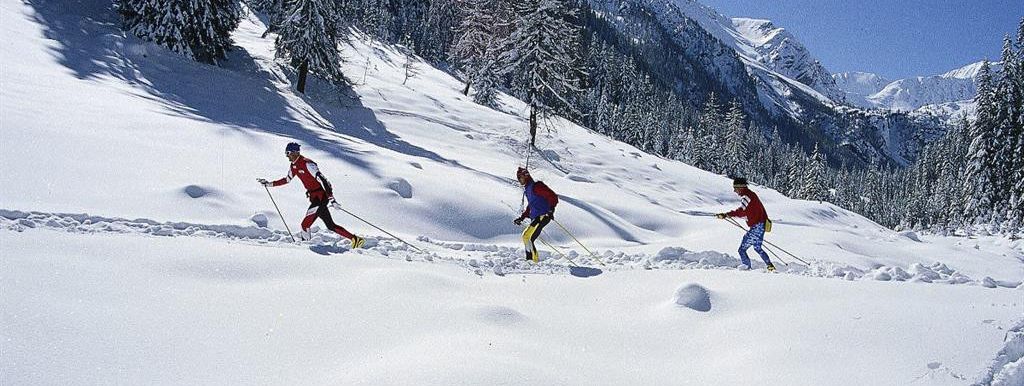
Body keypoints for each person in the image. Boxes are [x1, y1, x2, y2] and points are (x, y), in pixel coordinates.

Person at [259, 142, 365, 248]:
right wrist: (269, 184)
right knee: (330, 225)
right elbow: (287, 180)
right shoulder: (293, 166)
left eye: (288, 153)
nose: (287, 156)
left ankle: (305, 248)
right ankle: (356, 240)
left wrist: (331, 199)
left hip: (320, 198)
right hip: (314, 198)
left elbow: (324, 181)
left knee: (305, 225)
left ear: (295, 152)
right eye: (286, 153)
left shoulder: (307, 163)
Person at [717, 177, 775, 271]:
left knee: (742, 250)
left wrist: (726, 215)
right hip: (761, 225)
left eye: (735, 188)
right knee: (757, 248)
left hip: (756, 227)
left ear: (740, 187)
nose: (735, 191)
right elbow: (748, 212)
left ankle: (746, 269)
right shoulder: (751, 195)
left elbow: (741, 211)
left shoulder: (746, 196)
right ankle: (770, 266)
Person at [513, 167, 558, 262]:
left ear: (525, 177)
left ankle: (532, 261)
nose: (519, 180)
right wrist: (522, 217)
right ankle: (532, 260)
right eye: (518, 178)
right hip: (536, 217)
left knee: (527, 236)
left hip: (542, 216)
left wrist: (551, 210)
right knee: (527, 238)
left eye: (520, 178)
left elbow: (553, 196)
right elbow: (531, 205)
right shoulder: (528, 190)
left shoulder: (536, 186)